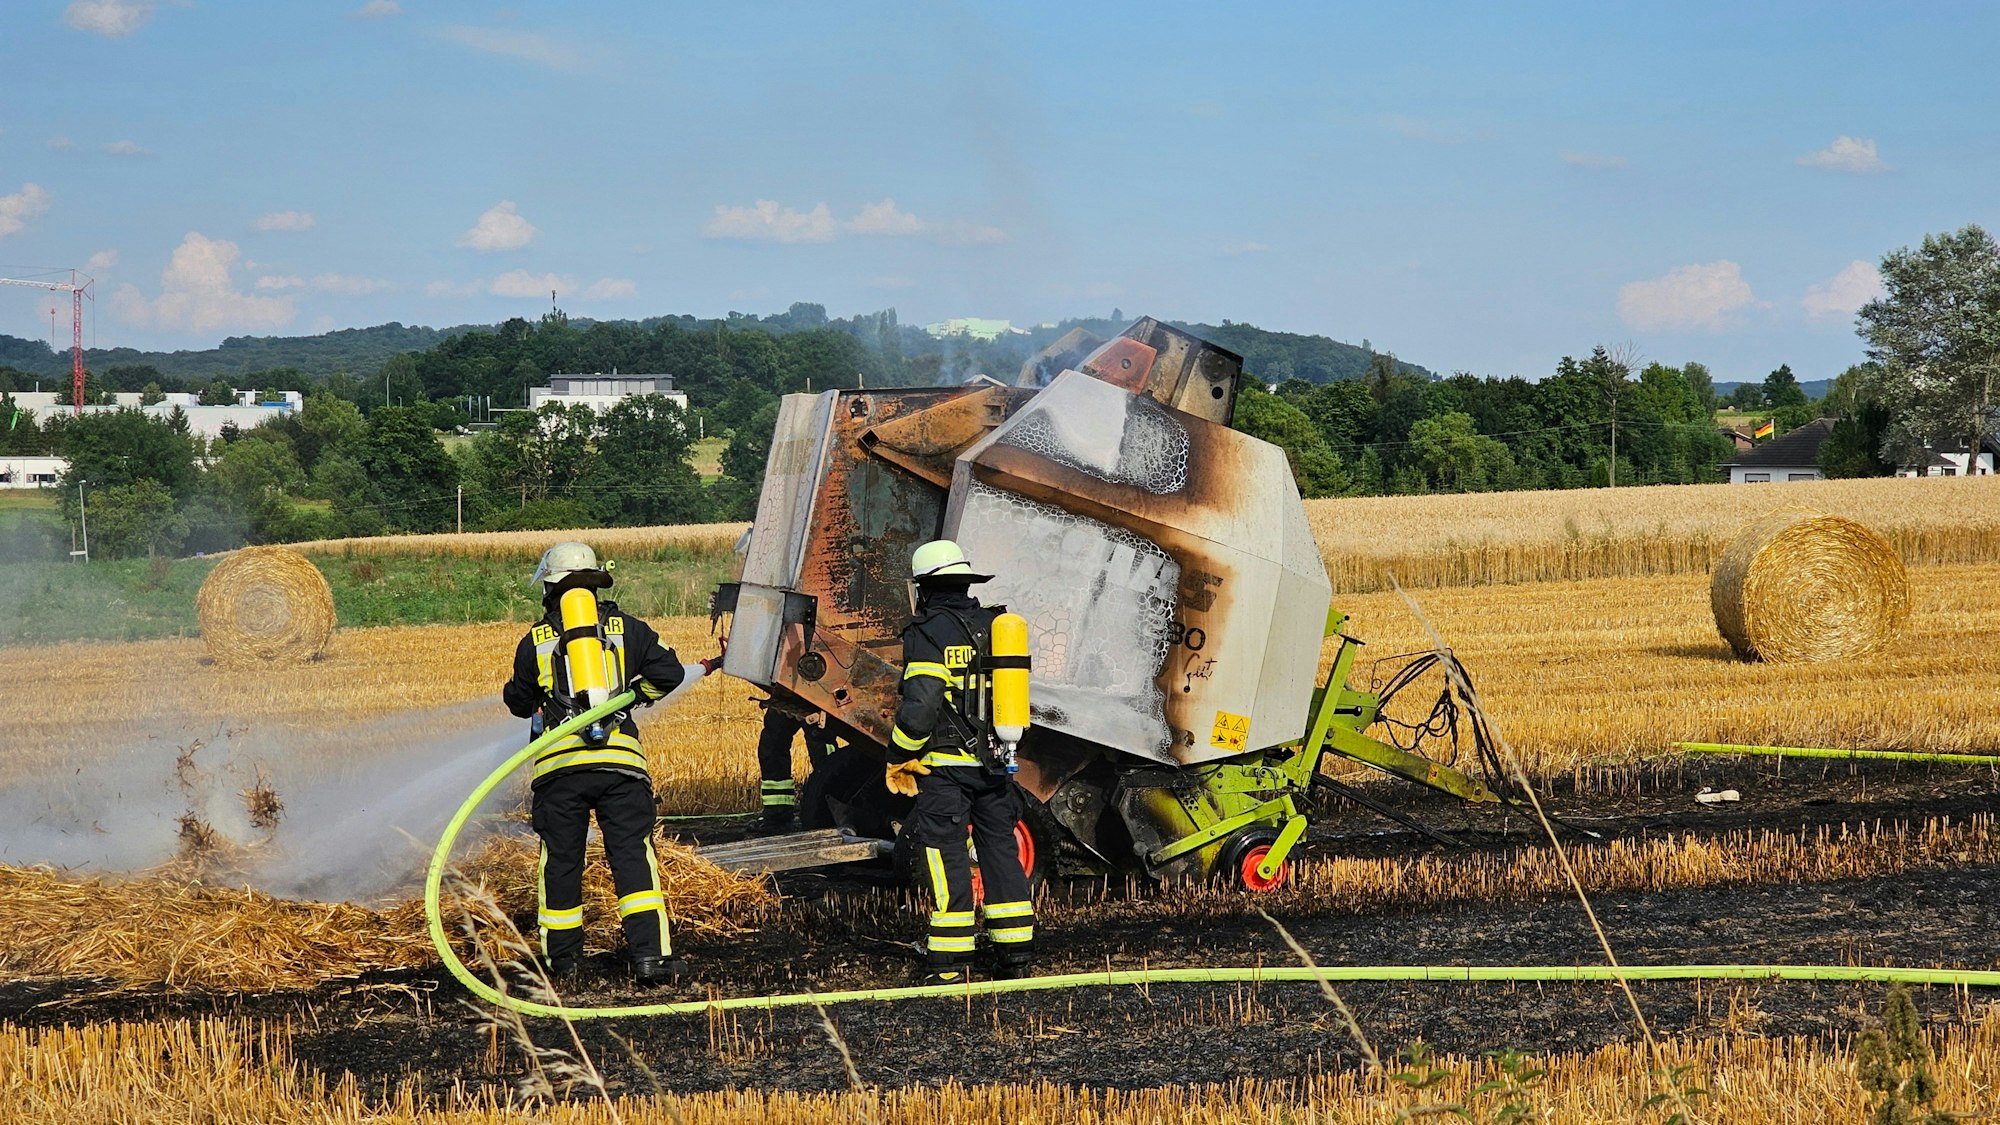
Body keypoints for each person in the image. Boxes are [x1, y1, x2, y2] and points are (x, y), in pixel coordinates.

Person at [502, 541, 720, 987]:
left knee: (561, 860)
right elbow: (671, 675)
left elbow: (520, 703)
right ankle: (650, 958)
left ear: (550, 588)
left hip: (559, 771)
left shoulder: (536, 641)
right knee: (632, 855)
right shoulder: (629, 629)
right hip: (620, 768)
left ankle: (563, 963)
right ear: (597, 583)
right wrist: (636, 697)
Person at [885, 539, 1036, 983]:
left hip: (946, 767)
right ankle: (1015, 951)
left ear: (926, 589)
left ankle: (949, 960)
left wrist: (900, 755)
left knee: (944, 850)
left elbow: (922, 704)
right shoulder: (995, 625)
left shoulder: (929, 631)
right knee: (999, 848)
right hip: (995, 763)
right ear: (966, 583)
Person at [753, 705, 837, 833]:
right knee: (771, 747)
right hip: (789, 693)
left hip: (816, 696)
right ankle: (777, 817)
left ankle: (833, 809)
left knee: (821, 748)